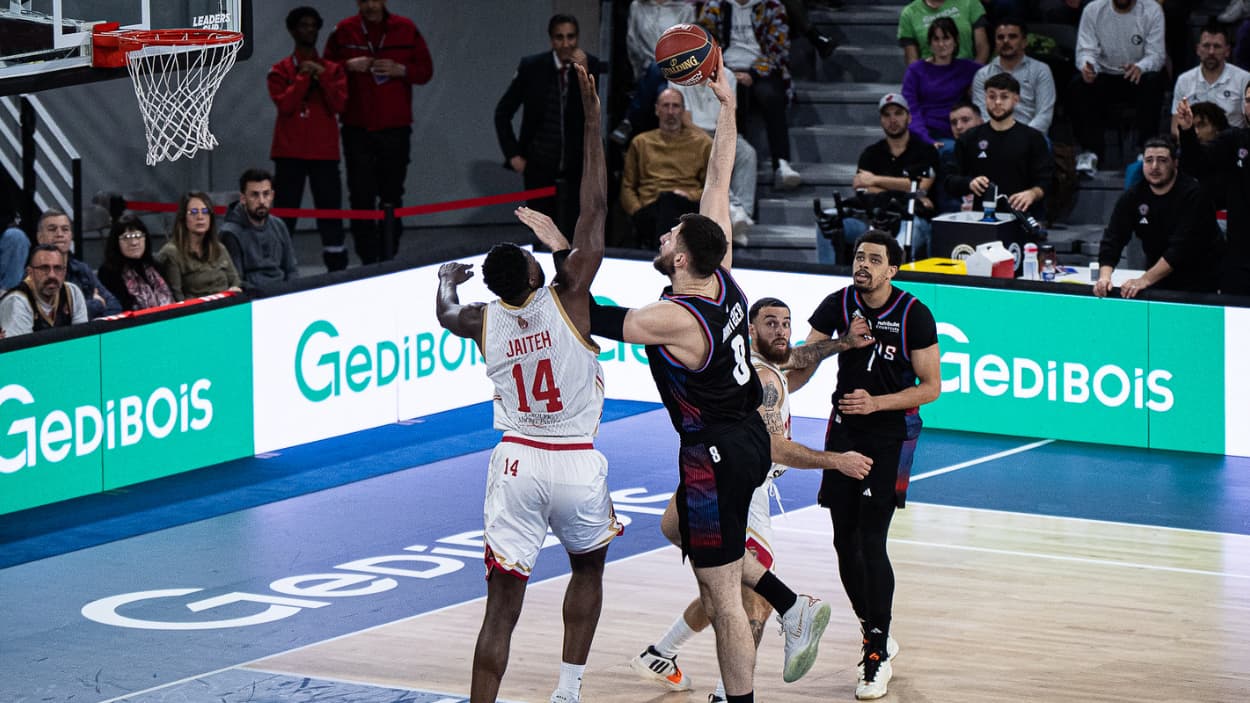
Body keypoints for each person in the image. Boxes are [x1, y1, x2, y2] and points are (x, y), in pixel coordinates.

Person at [590, 60, 832, 702]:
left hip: (715, 451)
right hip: (745, 436)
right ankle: (788, 601)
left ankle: (779, 623)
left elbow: (594, 314)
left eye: (669, 236)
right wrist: (726, 105)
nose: (665, 234)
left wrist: (555, 265)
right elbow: (718, 175)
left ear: (682, 259)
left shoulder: (672, 316)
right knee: (687, 539)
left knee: (722, 594)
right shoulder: (722, 272)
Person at [437, 64, 612, 703]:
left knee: (501, 602)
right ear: (538, 272)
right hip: (573, 459)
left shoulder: (481, 319)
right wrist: (591, 116)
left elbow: (445, 311)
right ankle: (567, 690)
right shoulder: (571, 298)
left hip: (513, 462)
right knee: (587, 567)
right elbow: (594, 202)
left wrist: (445, 282)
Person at [630, 297, 874, 703]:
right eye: (770, 323)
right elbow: (775, 448)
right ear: (749, 331)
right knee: (751, 605)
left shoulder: (750, 363)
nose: (780, 331)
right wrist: (837, 461)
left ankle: (661, 653)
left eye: (786, 323)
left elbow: (798, 357)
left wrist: (843, 343)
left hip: (705, 464)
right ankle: (737, 683)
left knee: (714, 576)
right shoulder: (763, 381)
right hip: (746, 487)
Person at [795, 230, 941, 701]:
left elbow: (930, 386)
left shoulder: (913, 314)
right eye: (859, 257)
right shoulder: (835, 306)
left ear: (891, 271)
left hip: (889, 433)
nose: (863, 264)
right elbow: (799, 364)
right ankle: (873, 628)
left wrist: (877, 403)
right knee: (843, 540)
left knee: (871, 539)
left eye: (874, 259)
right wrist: (840, 344)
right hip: (844, 432)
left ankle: (875, 652)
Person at [324, 0, 433, 264]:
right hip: (356, 128)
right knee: (360, 196)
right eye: (364, 0)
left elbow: (425, 71)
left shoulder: (406, 29)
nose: (370, 5)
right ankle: (367, 259)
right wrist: (348, 66)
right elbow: (326, 68)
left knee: (392, 194)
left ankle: (388, 254)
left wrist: (402, 70)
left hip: (394, 129)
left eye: (375, 0)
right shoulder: (344, 30)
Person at [495, 14, 605, 242]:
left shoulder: (589, 65)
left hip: (577, 164)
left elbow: (590, 111)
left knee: (576, 228)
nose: (566, 43)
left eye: (571, 37)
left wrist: (582, 71)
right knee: (539, 228)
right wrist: (513, 154)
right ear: (551, 40)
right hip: (538, 163)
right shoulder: (532, 67)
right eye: (560, 38)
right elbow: (503, 112)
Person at [268, 6, 349, 272]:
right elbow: (286, 106)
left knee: (330, 215)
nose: (309, 30)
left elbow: (339, 104)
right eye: (303, 25)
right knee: (285, 214)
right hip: (289, 153)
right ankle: (279, 268)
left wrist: (321, 75)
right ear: (292, 30)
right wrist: (304, 77)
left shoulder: (333, 70)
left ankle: (337, 268)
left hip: (324, 153)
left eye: (313, 25)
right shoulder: (279, 71)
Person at [817, 93, 938, 266]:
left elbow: (921, 188)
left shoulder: (925, 150)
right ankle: (826, 278)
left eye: (898, 113)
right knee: (827, 219)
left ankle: (893, 286)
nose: (892, 119)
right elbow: (861, 187)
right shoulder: (871, 153)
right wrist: (904, 189)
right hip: (872, 218)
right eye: (886, 115)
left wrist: (874, 180)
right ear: (881, 120)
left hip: (910, 218)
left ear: (909, 117)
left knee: (901, 243)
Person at [1094, 137, 1221, 298]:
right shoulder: (1133, 196)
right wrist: (1104, 278)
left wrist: (1144, 279)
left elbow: (1180, 250)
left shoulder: (1194, 195)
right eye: (1149, 160)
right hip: (1159, 277)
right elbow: (1113, 238)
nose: (1154, 166)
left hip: (1200, 280)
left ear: (1175, 163)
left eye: (1162, 160)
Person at [697, 0, 802, 190]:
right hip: (724, 68)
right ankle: (735, 166)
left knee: (770, 95)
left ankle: (782, 163)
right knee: (732, 91)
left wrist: (753, 73)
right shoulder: (715, 5)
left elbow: (778, 50)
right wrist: (723, 70)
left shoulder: (772, 6)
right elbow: (703, 42)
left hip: (762, 69)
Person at [1067, 0, 1166, 176]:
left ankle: (1145, 150)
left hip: (1137, 75)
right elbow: (1085, 50)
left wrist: (1141, 67)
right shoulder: (1093, 9)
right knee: (1078, 84)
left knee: (1155, 80)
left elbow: (1157, 55)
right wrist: (1088, 67)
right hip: (1103, 75)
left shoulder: (1152, 10)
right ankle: (1090, 152)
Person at [945, 73, 1051, 225]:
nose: (997, 102)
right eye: (992, 96)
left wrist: (1032, 193)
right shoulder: (970, 138)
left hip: (1022, 219)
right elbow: (949, 180)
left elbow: (1046, 181)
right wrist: (969, 183)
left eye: (1004, 96)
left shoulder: (1033, 138)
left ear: (1016, 99)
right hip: (981, 220)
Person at [1174, 94, 1250, 295]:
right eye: (1249, 100)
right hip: (1240, 257)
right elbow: (1196, 164)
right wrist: (1188, 131)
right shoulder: (1234, 139)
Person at [621, 88, 713, 249]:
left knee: (669, 201)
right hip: (649, 208)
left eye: (676, 106)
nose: (671, 112)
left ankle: (662, 253)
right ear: (657, 110)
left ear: (683, 111)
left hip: (687, 208)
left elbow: (711, 188)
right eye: (666, 106)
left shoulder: (702, 143)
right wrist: (636, 211)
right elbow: (627, 186)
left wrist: (689, 194)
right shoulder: (641, 142)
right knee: (665, 202)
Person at [674, 70, 758, 245]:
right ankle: (733, 212)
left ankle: (742, 214)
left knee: (747, 153)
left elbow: (728, 114)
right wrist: (710, 140)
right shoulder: (679, 73)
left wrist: (723, 138)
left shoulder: (727, 76)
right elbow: (685, 119)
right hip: (692, 132)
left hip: (720, 129)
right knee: (713, 151)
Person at [901, 17, 983, 145]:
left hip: (958, 130)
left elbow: (993, 73)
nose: (941, 44)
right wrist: (926, 140)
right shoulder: (916, 70)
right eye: (936, 39)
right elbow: (911, 110)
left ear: (955, 41)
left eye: (946, 38)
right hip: (926, 132)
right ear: (930, 43)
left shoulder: (967, 68)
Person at [971, 18, 1056, 135]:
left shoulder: (1041, 70)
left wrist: (1020, 137)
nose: (1005, 41)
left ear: (1024, 42)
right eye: (1000, 37)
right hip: (994, 137)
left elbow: (1044, 115)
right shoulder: (983, 74)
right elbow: (982, 115)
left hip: (1031, 136)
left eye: (1012, 37)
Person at [219, 168, 299, 290]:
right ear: (243, 198)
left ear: (272, 196)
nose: (261, 201)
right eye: (254, 195)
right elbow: (236, 281)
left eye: (266, 194)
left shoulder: (279, 225)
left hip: (282, 294)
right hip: (253, 300)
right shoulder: (230, 233)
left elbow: (291, 270)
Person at [35, 207, 121, 320]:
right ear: (40, 238)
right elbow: (57, 318)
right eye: (52, 229)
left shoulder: (81, 269)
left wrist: (80, 310)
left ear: (71, 236)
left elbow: (115, 306)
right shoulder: (33, 275)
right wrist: (97, 304)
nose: (59, 234)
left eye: (65, 229)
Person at [155, 192, 243, 301]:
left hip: (225, 307)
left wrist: (234, 291)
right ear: (183, 218)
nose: (200, 217)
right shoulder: (171, 253)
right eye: (194, 212)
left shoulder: (219, 248)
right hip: (196, 313)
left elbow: (235, 281)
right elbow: (176, 298)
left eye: (205, 212)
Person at [1170, 22, 1250, 134]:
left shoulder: (1244, 79)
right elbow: (1175, 127)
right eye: (1206, 46)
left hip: (1231, 145)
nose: (1211, 52)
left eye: (1217, 46)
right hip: (1195, 143)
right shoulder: (1184, 80)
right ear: (1198, 49)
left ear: (1227, 51)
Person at [0, 244, 87, 336]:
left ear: (64, 272)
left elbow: (82, 340)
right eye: (44, 268)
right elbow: (22, 349)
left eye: (57, 268)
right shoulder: (17, 301)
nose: (52, 275)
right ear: (30, 273)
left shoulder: (73, 293)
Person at [95, 214, 173, 312]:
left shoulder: (155, 266)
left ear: (145, 238)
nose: (134, 242)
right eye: (126, 237)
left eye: (138, 236)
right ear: (116, 242)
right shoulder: (108, 273)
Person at [896, 0, 990, 66]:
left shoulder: (969, 2)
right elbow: (912, 60)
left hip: (966, 74)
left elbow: (983, 47)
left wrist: (974, 78)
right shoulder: (909, 13)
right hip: (930, 77)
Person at [626, 0, 696, 81]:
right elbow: (632, 42)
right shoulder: (637, 6)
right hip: (645, 71)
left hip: (675, 71)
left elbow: (687, 48)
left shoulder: (686, 10)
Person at [0, 214, 29, 294]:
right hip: (18, 286)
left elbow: (3, 262)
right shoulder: (25, 237)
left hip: (4, 286)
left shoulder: (9, 234)